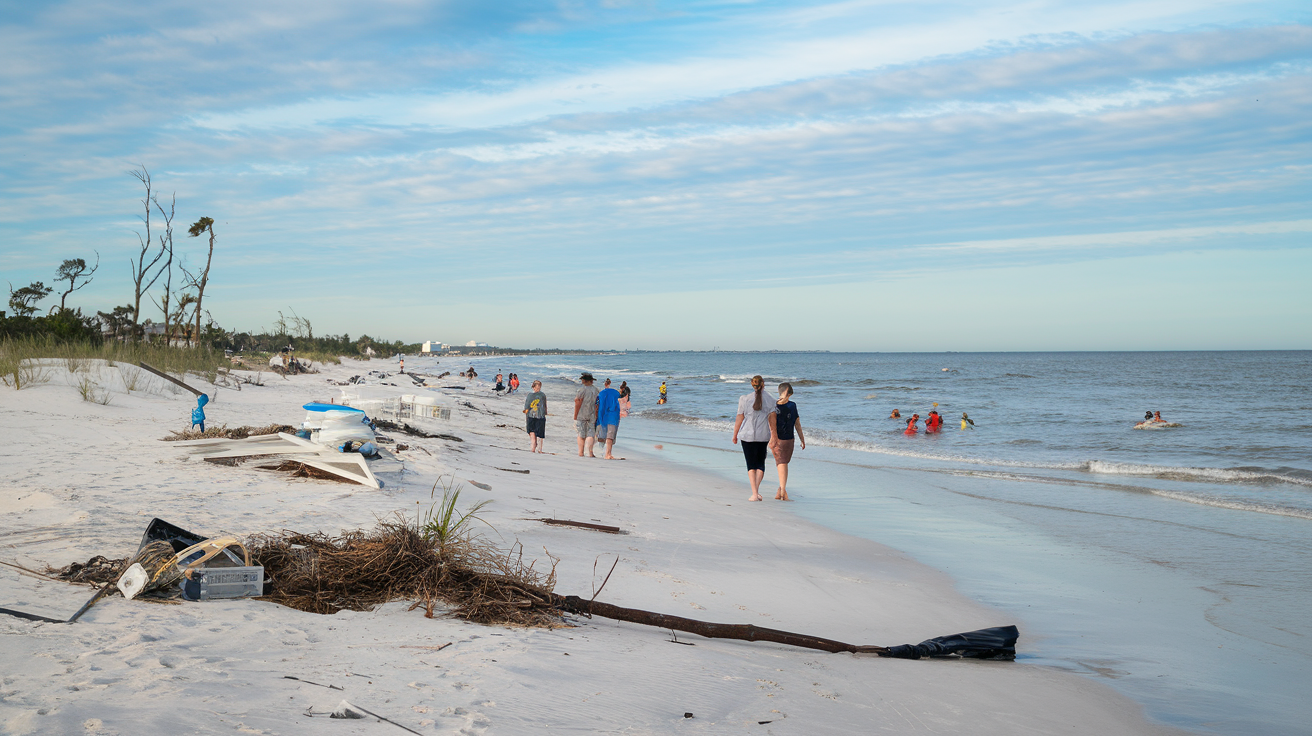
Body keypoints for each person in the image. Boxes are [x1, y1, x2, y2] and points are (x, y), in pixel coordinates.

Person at [732, 375, 777, 502]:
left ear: (752, 385)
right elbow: (772, 420)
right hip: (763, 436)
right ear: (763, 384)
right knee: (760, 464)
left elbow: (739, 418)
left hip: (747, 436)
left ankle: (754, 493)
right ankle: (756, 492)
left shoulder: (744, 399)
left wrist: (735, 435)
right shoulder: (771, 400)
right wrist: (774, 436)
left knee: (750, 465)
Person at [770, 382, 805, 501]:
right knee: (783, 463)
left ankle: (780, 489)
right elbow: (797, 424)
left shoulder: (773, 405)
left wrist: (802, 439)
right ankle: (783, 491)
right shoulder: (791, 406)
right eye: (789, 395)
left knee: (780, 463)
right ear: (788, 393)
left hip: (775, 440)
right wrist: (802, 439)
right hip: (786, 440)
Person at [574, 372, 600, 457]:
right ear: (591, 381)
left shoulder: (581, 390)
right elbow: (598, 404)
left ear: (584, 381)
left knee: (581, 434)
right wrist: (597, 414)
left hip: (582, 414)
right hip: (592, 414)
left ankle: (581, 452)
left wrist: (575, 415)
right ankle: (590, 452)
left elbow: (578, 403)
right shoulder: (596, 390)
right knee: (591, 434)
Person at [595, 378, 622, 460]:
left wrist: (596, 415)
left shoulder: (601, 393)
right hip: (613, 416)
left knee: (599, 433)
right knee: (610, 436)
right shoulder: (616, 393)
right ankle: (608, 454)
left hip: (602, 415)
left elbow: (596, 405)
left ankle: (589, 451)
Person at [523, 380, 547, 453]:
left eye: (539, 387)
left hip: (536, 416)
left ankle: (537, 448)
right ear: (533, 387)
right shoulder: (541, 395)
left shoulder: (533, 395)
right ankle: (535, 447)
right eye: (537, 387)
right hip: (536, 416)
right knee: (535, 432)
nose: (538, 388)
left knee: (536, 432)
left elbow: (526, 407)